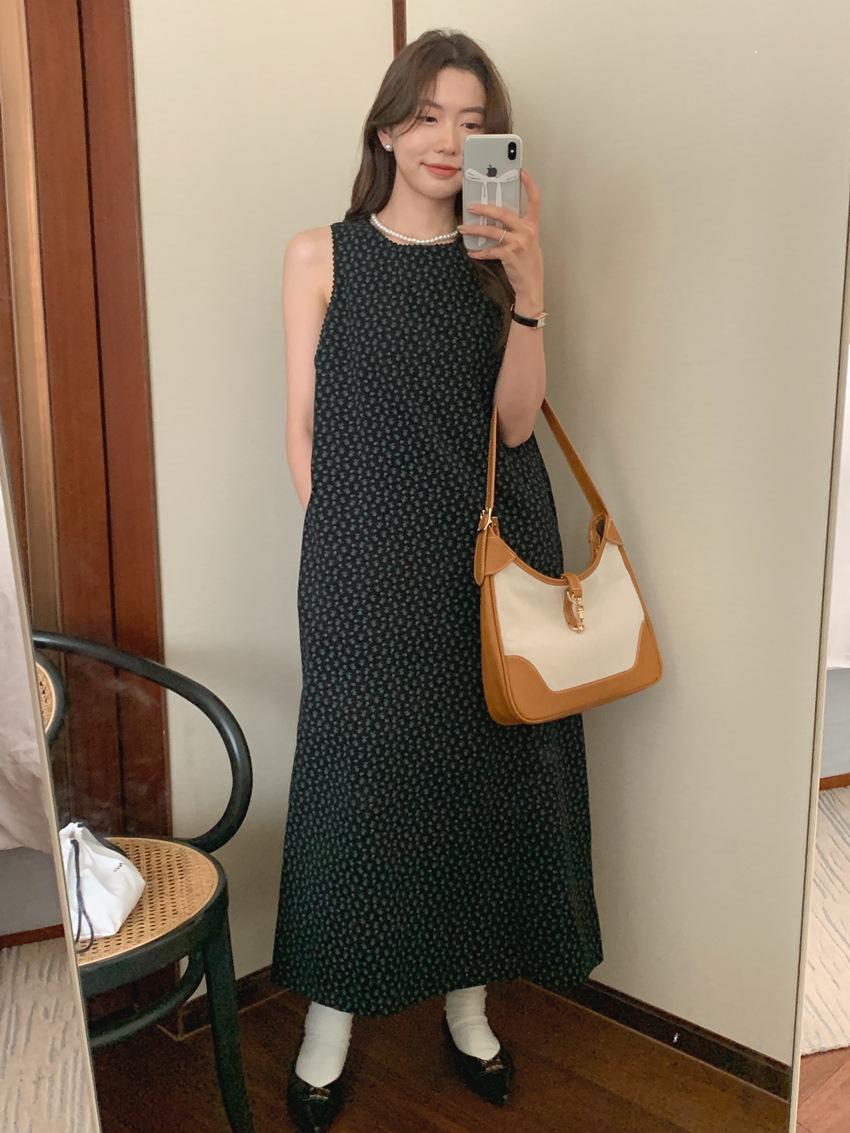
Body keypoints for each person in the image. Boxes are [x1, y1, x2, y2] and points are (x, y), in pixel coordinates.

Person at [270, 28, 604, 1131]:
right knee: (357, 787)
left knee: (482, 784)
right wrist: (340, 547)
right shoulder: (319, 255)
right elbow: (302, 427)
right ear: (385, 128)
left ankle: (469, 1007)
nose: (447, 141)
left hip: (489, 561)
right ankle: (329, 1022)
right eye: (425, 117)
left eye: (472, 122)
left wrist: (531, 290)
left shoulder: (496, 255)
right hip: (366, 565)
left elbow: (516, 423)